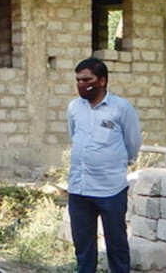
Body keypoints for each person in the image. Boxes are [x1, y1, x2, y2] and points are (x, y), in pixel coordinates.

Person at [67, 57, 141, 273]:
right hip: (79, 189)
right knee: (83, 248)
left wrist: (118, 163)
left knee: (116, 245)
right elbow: (74, 136)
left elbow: (133, 142)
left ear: (101, 80)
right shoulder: (74, 108)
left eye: (86, 79)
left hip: (111, 189)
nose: (81, 84)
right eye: (78, 80)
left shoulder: (121, 108)